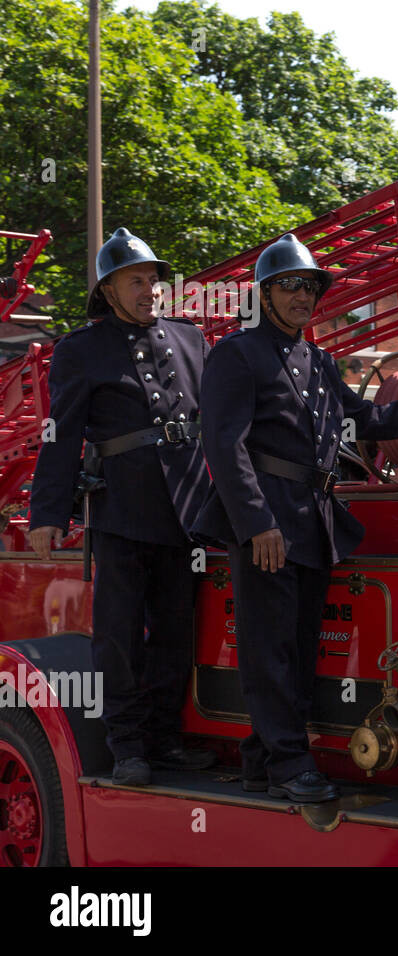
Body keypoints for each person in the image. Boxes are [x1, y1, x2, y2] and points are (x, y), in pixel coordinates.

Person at [192, 233, 398, 803]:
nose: (302, 295)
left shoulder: (317, 360)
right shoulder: (237, 354)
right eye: (289, 285)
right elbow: (225, 446)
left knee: (295, 648)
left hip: (312, 518)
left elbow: (369, 419)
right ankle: (290, 764)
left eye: (310, 286)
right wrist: (255, 523)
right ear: (264, 295)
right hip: (268, 519)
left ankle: (262, 758)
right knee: (270, 652)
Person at [28, 227, 215, 786]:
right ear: (108, 291)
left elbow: (222, 423)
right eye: (136, 280)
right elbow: (60, 434)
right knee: (120, 635)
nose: (149, 289)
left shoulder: (191, 340)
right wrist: (47, 512)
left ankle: (164, 739)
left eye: (153, 280)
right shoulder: (80, 350)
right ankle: (127, 744)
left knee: (176, 632)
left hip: (185, 509)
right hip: (121, 512)